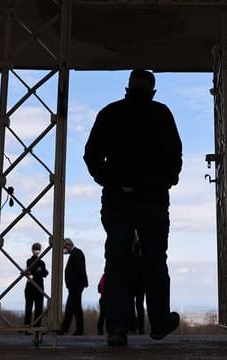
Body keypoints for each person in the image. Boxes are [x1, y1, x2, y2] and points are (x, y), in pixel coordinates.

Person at [84, 69, 183, 346]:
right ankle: (160, 321)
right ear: (152, 91)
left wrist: (111, 181)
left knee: (116, 263)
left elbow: (91, 154)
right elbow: (175, 155)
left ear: (127, 87)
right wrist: (164, 182)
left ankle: (117, 329)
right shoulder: (161, 114)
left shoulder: (110, 113)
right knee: (154, 261)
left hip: (117, 201)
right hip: (152, 201)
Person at [60, 238, 88, 336]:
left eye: (64, 247)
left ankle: (64, 329)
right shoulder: (76, 253)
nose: (64, 250)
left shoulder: (77, 253)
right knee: (76, 308)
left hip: (76, 286)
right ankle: (79, 329)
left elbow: (78, 271)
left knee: (70, 307)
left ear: (68, 245)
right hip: (75, 286)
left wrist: (72, 283)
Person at [24, 242, 49, 329]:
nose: (37, 250)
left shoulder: (42, 262)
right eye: (35, 248)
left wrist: (36, 271)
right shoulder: (29, 261)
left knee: (38, 310)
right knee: (29, 309)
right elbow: (35, 271)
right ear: (32, 250)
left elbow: (45, 273)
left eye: (38, 248)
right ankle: (27, 328)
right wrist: (38, 271)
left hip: (39, 287)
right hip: (31, 287)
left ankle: (36, 328)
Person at [129, 233, 145, 335]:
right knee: (136, 305)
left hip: (137, 281)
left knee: (137, 305)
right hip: (137, 281)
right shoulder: (138, 249)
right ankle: (137, 327)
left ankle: (137, 328)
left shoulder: (136, 250)